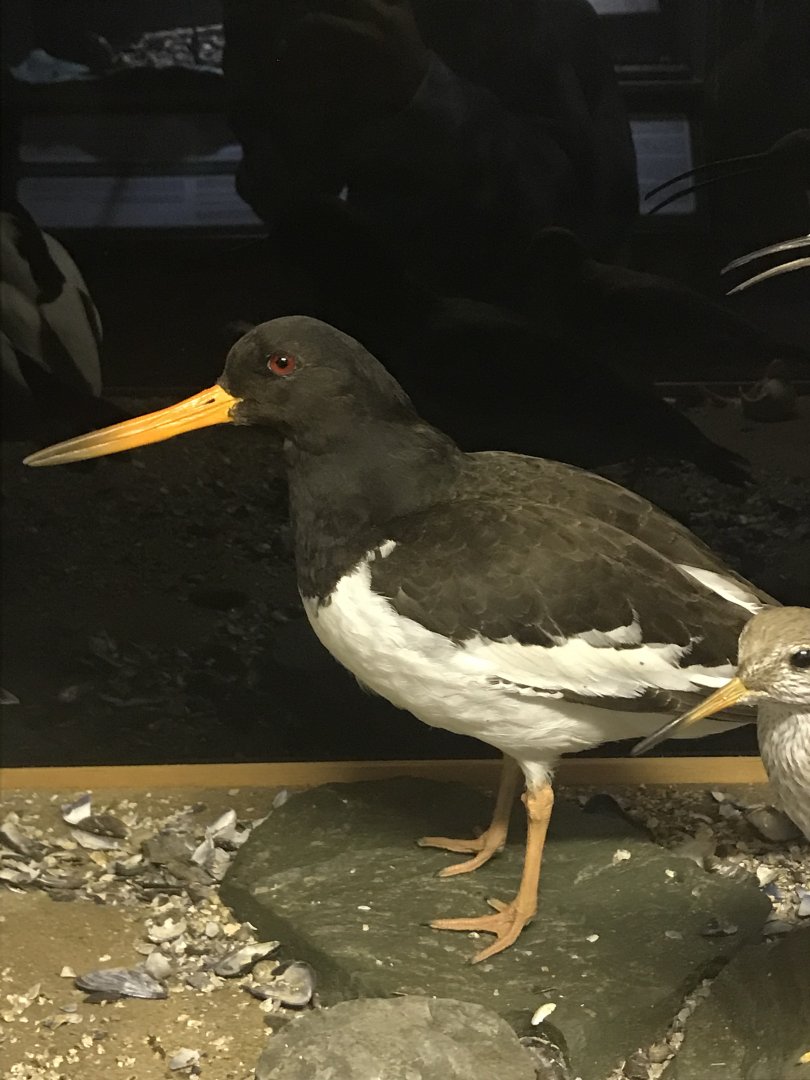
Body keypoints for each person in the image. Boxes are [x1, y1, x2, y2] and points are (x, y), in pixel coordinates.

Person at [223, 0, 638, 298]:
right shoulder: (272, 13)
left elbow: (592, 219)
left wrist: (419, 87)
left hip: (522, 349)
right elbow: (272, 182)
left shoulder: (532, 16)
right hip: (352, 341)